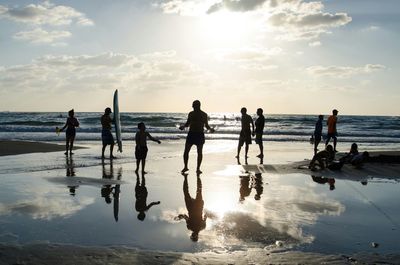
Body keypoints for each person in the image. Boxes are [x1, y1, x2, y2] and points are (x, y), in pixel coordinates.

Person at [180, 100, 214, 174]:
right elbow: (187, 124)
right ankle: (186, 167)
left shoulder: (204, 114)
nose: (192, 106)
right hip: (192, 134)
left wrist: (210, 129)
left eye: (193, 105)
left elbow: (206, 125)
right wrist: (183, 127)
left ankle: (198, 168)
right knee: (186, 151)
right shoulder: (191, 114)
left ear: (197, 106)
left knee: (199, 152)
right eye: (193, 105)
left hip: (199, 134)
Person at [175, 173, 207, 242]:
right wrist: (181, 217)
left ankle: (187, 177)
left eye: (192, 236)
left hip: (194, 207)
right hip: (196, 207)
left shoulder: (198, 227)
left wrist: (180, 217)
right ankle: (196, 176)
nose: (193, 235)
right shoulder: (200, 227)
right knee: (197, 191)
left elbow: (186, 217)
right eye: (194, 236)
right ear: (197, 236)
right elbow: (205, 217)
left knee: (194, 192)